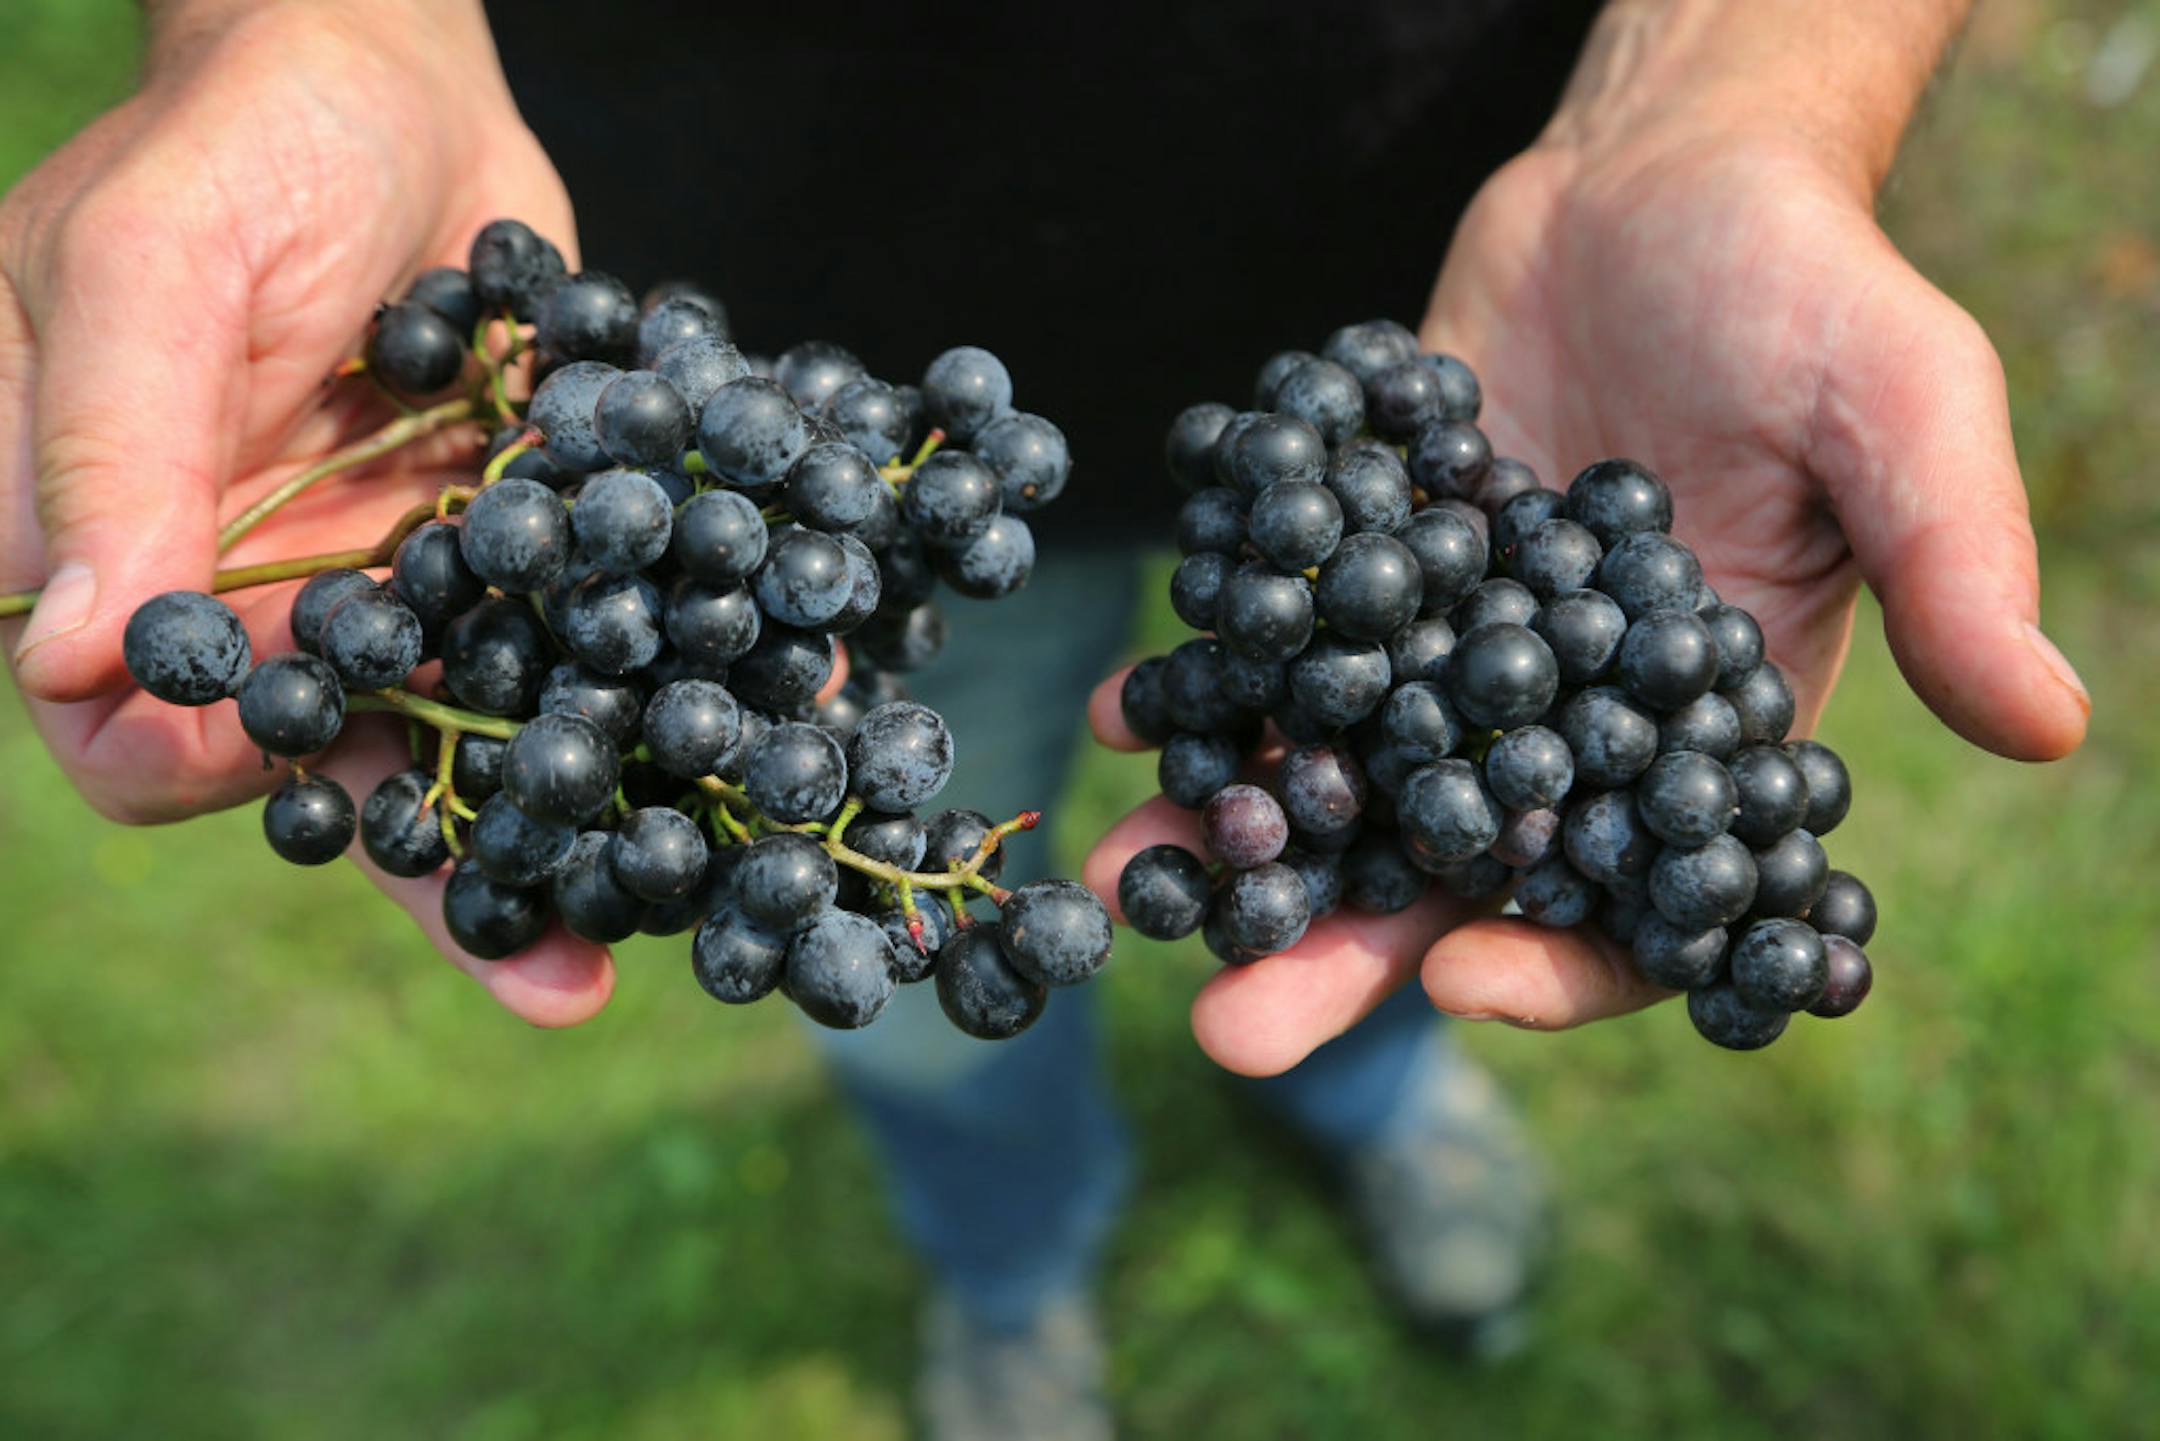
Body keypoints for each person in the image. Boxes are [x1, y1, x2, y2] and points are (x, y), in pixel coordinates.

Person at [0, 1, 2089, 1436]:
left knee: (1374, 870)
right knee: (905, 941)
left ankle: (1368, 1106)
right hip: (753, 331)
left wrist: (1724, 98)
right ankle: (1009, 1261)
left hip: (1462, 289)